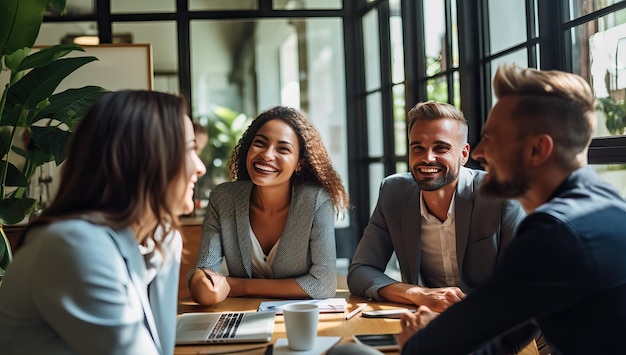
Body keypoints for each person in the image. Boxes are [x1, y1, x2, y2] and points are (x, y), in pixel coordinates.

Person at [396, 64, 626, 354]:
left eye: (491, 139)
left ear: (537, 150)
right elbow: (507, 340)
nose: (478, 153)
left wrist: (423, 339)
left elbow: (427, 349)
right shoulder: (606, 204)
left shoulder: (555, 232)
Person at [0, 90, 206, 355]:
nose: (200, 167)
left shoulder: (150, 239)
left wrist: (163, 246)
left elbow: (160, 348)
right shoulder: (76, 244)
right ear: (145, 158)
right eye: (189, 149)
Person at [348, 101, 526, 313]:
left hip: (501, 324)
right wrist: (417, 294)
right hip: (432, 322)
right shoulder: (393, 193)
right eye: (418, 148)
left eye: (441, 148)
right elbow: (361, 270)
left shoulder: (501, 195)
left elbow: (521, 286)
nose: (428, 158)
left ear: (464, 154)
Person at [188, 105, 350, 306]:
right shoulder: (223, 198)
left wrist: (237, 286)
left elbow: (323, 285)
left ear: (299, 162)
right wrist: (202, 283)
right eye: (260, 144)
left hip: (297, 319)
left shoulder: (315, 201)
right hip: (241, 315)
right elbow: (204, 270)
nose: (267, 155)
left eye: (283, 149)